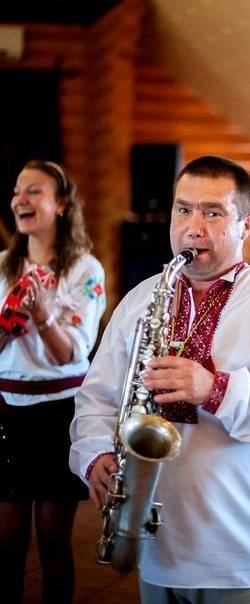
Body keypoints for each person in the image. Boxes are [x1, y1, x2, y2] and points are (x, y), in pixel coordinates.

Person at [70, 155, 250, 604]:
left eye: (213, 213)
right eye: (183, 209)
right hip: (155, 546)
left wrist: (215, 389)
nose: (193, 228)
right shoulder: (140, 298)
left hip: (242, 550)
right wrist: (95, 456)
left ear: (246, 225)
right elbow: (97, 398)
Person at [0, 159, 106, 604]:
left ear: (61, 204)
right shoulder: (2, 266)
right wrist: (6, 326)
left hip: (59, 414)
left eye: (34, 191)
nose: (20, 200)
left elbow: (71, 354)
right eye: (16, 191)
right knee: (6, 542)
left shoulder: (85, 270)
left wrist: (43, 317)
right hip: (6, 411)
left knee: (53, 540)